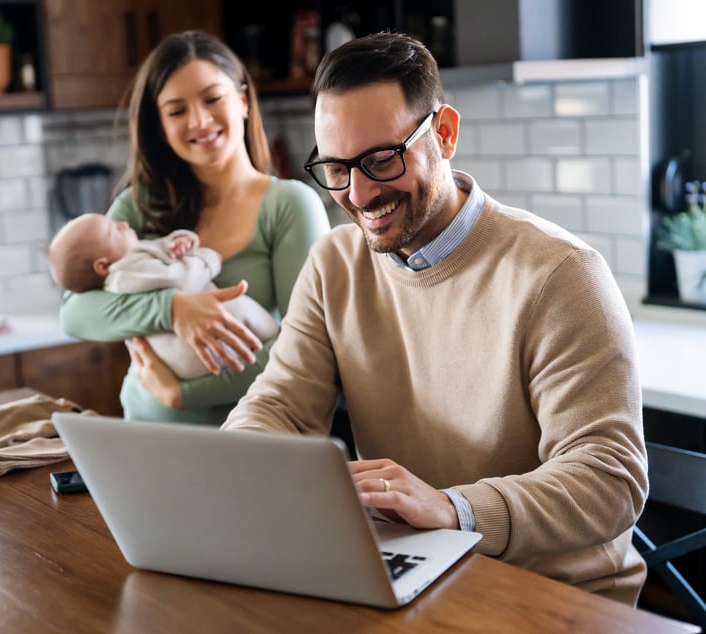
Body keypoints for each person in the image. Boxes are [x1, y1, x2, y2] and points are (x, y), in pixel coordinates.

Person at [221, 32, 649, 605]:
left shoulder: (561, 275)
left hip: (553, 596)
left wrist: (453, 508)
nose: (359, 193)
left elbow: (609, 479)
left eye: (380, 159)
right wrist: (228, 470)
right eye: (337, 167)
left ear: (443, 133)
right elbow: (280, 406)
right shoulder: (334, 264)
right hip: (417, 578)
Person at [58, 31, 330, 424]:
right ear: (161, 128)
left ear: (242, 100)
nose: (199, 121)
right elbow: (75, 314)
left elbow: (308, 350)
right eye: (176, 110)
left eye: (212, 98)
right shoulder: (140, 207)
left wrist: (182, 394)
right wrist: (173, 308)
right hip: (145, 435)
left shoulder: (289, 205)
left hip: (253, 441)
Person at [49, 213, 279, 379]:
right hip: (187, 354)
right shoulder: (125, 273)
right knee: (237, 308)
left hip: (190, 366)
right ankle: (273, 334)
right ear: (102, 266)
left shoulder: (129, 259)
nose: (123, 223)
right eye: (115, 230)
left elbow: (156, 249)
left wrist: (179, 243)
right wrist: (207, 260)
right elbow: (181, 280)